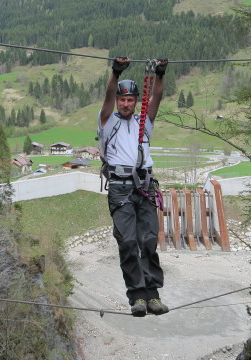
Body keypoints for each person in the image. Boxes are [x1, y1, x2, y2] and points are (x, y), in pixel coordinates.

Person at [97, 56, 169, 317]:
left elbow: (157, 99)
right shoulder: (107, 122)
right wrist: (115, 73)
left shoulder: (144, 124)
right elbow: (106, 98)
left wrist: (160, 75)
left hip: (146, 187)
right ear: (118, 101)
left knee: (148, 241)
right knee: (128, 242)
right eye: (122, 99)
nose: (126, 103)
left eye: (130, 100)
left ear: (135, 101)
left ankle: (153, 295)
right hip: (120, 189)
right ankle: (137, 296)